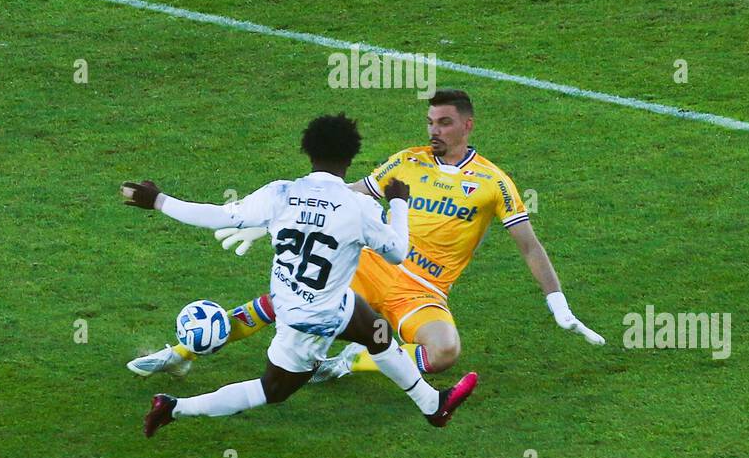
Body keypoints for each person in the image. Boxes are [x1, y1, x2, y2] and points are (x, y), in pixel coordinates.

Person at [129, 90, 603, 383]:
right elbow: (347, 193)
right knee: (285, 301)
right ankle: (181, 352)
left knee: (443, 354)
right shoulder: (408, 161)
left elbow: (529, 244)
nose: (434, 130)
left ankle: (350, 363)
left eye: (444, 122)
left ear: (467, 125)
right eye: (430, 122)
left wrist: (558, 303)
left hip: (425, 290)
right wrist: (271, 219)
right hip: (371, 269)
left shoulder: (493, 183)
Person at [120, 113, 478, 435]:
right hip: (314, 321)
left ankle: (433, 405)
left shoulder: (281, 192)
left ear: (309, 152)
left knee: (376, 332)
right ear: (351, 156)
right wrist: (400, 202)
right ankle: (174, 407)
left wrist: (158, 200)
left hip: (306, 303)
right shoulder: (358, 207)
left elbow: (219, 215)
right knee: (272, 390)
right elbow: (398, 252)